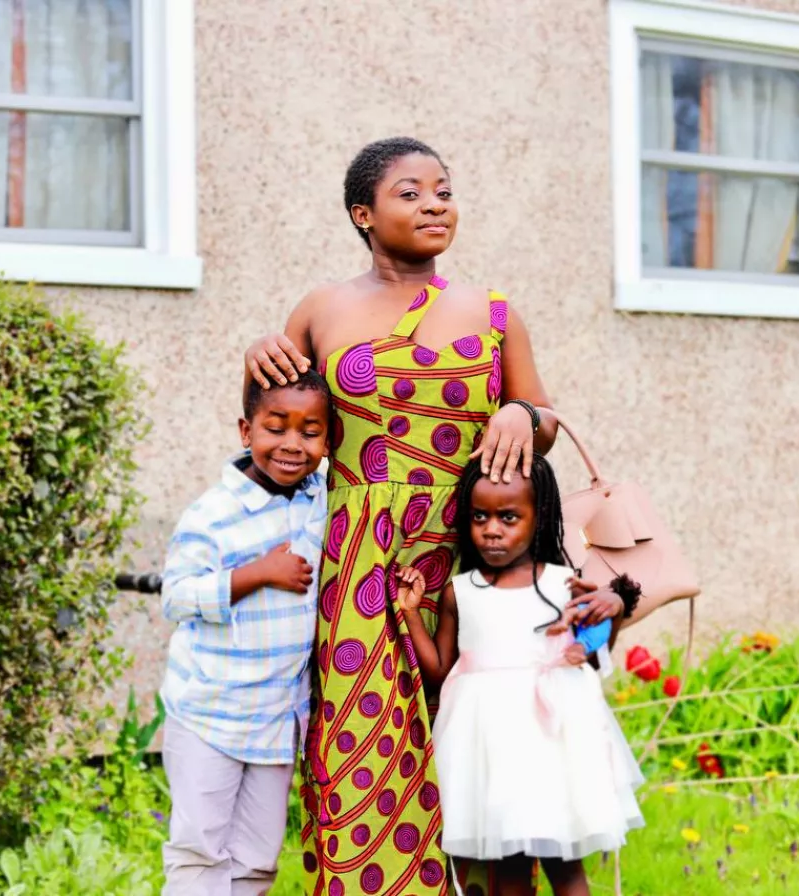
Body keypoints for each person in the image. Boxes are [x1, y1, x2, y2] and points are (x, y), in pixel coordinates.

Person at [242, 137, 602, 894]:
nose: (435, 203)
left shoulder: (494, 311)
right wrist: (259, 358)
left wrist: (521, 411)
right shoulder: (320, 309)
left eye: (444, 189)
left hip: (474, 557)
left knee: (484, 741)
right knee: (368, 742)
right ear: (362, 214)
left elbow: (541, 423)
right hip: (361, 560)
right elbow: (279, 428)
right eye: (411, 192)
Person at [397, 457, 645, 896]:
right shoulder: (461, 590)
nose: (492, 529)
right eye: (480, 516)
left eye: (508, 517)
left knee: (566, 866)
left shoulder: (565, 583)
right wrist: (412, 613)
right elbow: (436, 670)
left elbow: (594, 652)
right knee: (508, 868)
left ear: (540, 517)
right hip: (490, 749)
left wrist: (616, 610)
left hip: (551, 746)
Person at [157, 371, 332, 896]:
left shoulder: (318, 499)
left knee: (257, 860)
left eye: (310, 432)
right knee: (200, 853)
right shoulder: (214, 514)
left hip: (278, 722)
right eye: (275, 428)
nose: (292, 445)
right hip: (210, 715)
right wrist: (256, 573)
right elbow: (177, 595)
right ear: (245, 429)